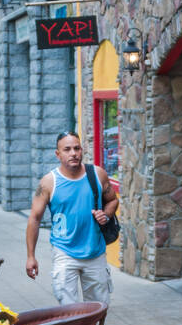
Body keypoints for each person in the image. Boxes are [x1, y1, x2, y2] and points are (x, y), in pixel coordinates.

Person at [26, 131, 117, 306]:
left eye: (77, 148)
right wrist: (31, 256)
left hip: (95, 252)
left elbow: (112, 200)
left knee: (99, 308)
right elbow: (34, 219)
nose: (73, 153)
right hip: (64, 252)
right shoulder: (48, 182)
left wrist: (106, 214)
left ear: (82, 150)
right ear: (58, 154)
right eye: (67, 149)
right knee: (69, 310)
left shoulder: (97, 174)